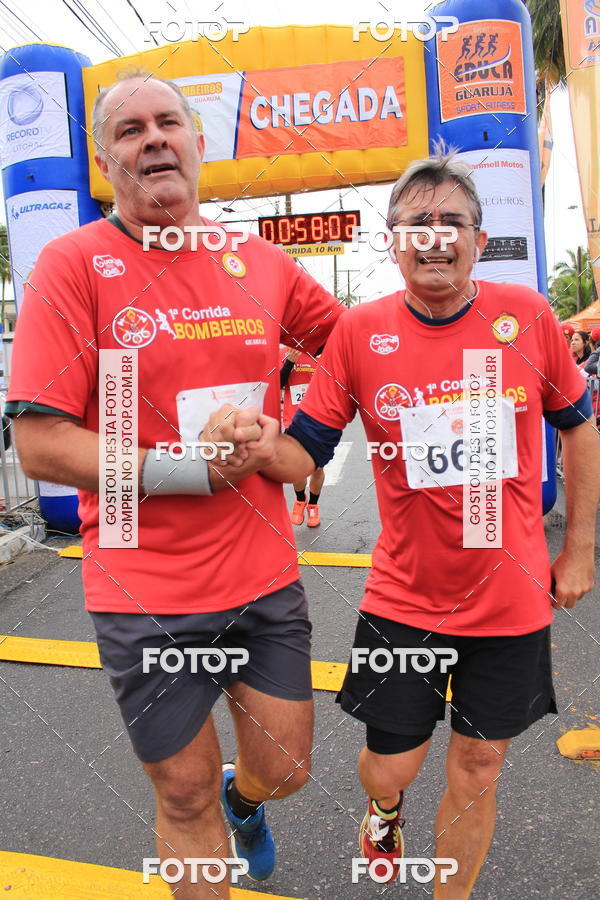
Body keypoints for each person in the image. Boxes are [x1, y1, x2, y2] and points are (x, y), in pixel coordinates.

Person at [214, 148, 599, 897]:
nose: (433, 236)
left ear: (478, 241)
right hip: (407, 599)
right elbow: (305, 452)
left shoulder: (528, 317)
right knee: (392, 763)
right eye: (415, 222)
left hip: (510, 594)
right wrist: (263, 443)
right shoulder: (359, 333)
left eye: (451, 220)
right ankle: (384, 806)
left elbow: (580, 426)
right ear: (391, 242)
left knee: (480, 766)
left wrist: (580, 550)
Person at [5, 72, 343, 898]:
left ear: (197, 143)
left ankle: (247, 799)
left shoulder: (258, 263)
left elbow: (355, 348)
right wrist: (187, 467)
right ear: (102, 159)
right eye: (129, 130)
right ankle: (211, 805)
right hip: (142, 585)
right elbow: (39, 441)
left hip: (261, 577)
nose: (152, 138)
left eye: (168, 122)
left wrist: (294, 440)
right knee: (181, 791)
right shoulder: (71, 264)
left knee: (287, 767)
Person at [280, 345, 325, 526]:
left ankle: (313, 505)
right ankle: (300, 500)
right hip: (294, 420)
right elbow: (276, 384)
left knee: (318, 468)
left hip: (321, 420)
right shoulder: (285, 352)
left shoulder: (327, 352)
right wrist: (290, 362)